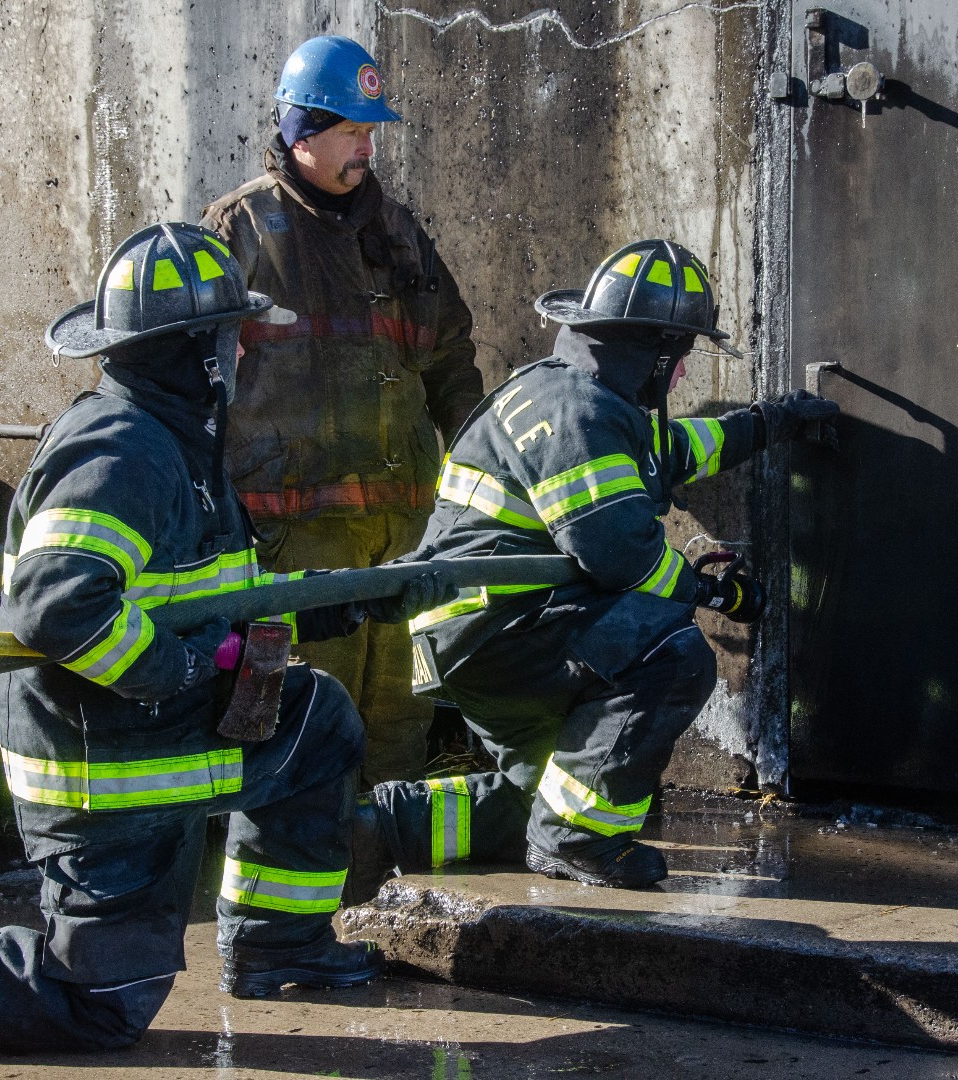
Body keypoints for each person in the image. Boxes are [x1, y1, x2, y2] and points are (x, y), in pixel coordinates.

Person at [0, 222, 455, 1052]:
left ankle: (277, 944)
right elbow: (58, 605)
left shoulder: (182, 441)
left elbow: (225, 604)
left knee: (315, 722)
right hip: (107, 766)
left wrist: (362, 597)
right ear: (201, 353)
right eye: (235, 336)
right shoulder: (123, 450)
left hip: (156, 728)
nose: (247, 351)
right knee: (99, 1005)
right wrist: (183, 666)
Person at [347, 239, 840, 900]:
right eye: (681, 357)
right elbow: (621, 555)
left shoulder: (579, 397)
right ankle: (578, 841)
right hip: (499, 630)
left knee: (546, 794)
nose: (682, 376)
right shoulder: (577, 413)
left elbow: (681, 449)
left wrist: (774, 421)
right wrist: (712, 593)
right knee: (672, 654)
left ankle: (381, 829)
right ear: (655, 354)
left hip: (482, 629)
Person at [201, 35, 484, 788]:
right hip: (293, 547)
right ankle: (294, 861)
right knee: (299, 724)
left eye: (370, 132)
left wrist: (473, 486)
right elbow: (196, 382)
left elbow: (451, 361)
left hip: (403, 538)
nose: (368, 147)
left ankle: (383, 857)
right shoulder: (240, 230)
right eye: (353, 131)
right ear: (303, 133)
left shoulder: (398, 232)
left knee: (398, 725)